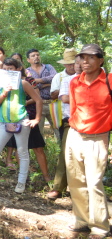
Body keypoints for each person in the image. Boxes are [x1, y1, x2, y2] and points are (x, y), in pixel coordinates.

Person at [66, 44, 111, 239]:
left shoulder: (109, 80)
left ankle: (100, 226)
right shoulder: (75, 82)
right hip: (75, 135)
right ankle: (81, 220)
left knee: (94, 182)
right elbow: (74, 109)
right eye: (82, 57)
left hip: (98, 137)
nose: (85, 61)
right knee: (75, 181)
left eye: (91, 57)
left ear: (100, 60)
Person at [0, 58, 42, 193]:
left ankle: (21, 183)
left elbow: (38, 99)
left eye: (11, 68)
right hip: (4, 122)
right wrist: (4, 93)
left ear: (17, 69)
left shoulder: (23, 83)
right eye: (5, 68)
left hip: (21, 120)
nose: (8, 71)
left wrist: (36, 119)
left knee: (22, 152)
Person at [49, 54, 81, 200]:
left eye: (76, 63)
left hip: (92, 123)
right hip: (70, 120)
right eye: (74, 64)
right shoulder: (66, 79)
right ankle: (58, 187)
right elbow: (63, 98)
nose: (76, 66)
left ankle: (81, 189)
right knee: (65, 153)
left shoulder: (97, 80)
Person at [25, 48, 58, 140]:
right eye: (33, 56)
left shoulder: (49, 67)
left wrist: (36, 81)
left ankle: (62, 153)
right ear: (28, 60)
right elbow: (29, 86)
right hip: (38, 105)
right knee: (39, 134)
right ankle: (43, 153)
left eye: (37, 55)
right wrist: (46, 84)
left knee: (59, 130)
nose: (36, 57)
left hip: (52, 103)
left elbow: (55, 78)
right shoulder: (27, 71)